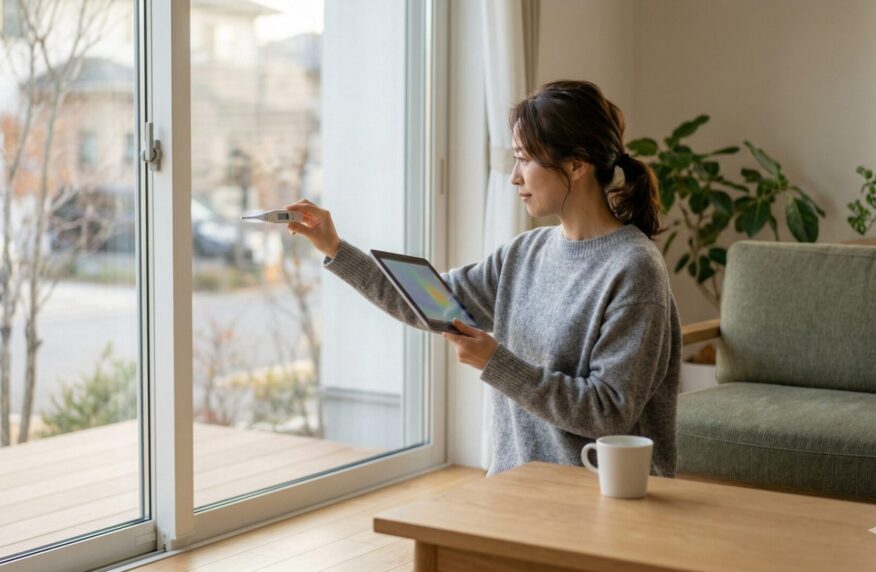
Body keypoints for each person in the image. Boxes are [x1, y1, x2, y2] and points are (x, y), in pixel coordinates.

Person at [284, 79, 681, 478]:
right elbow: (428, 302)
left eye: (525, 159)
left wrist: (496, 361)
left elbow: (608, 411)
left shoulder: (634, 268)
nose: (514, 176)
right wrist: (335, 247)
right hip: (517, 486)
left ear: (577, 165)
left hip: (604, 496)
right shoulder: (525, 253)